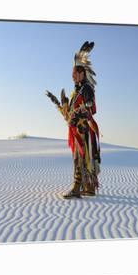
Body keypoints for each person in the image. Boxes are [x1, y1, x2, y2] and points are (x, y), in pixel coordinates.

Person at [46, 41, 101, 198]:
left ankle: (77, 187)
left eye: (75, 73)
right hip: (77, 128)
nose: (72, 76)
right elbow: (70, 111)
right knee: (83, 157)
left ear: (82, 74)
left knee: (80, 156)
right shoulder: (77, 91)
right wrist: (61, 105)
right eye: (72, 73)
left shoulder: (87, 88)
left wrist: (79, 112)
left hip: (83, 130)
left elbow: (90, 104)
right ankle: (89, 187)